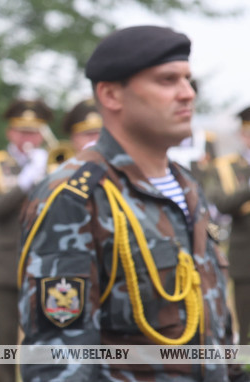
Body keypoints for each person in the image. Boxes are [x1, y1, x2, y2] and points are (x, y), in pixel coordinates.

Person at [17, 25, 243, 380]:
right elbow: (59, 359)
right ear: (110, 95)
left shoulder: (186, 186)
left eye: (188, 80)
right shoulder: (77, 196)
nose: (187, 94)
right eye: (167, 81)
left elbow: (215, 329)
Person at [0, 98, 51, 381]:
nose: (28, 138)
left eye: (34, 132)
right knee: (5, 344)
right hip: (7, 265)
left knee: (46, 341)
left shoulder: (52, 161)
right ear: (10, 132)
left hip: (46, 264)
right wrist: (23, 184)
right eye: (22, 131)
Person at [205, 105, 250, 346]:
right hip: (246, 257)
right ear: (244, 134)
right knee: (246, 329)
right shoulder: (228, 167)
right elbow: (221, 202)